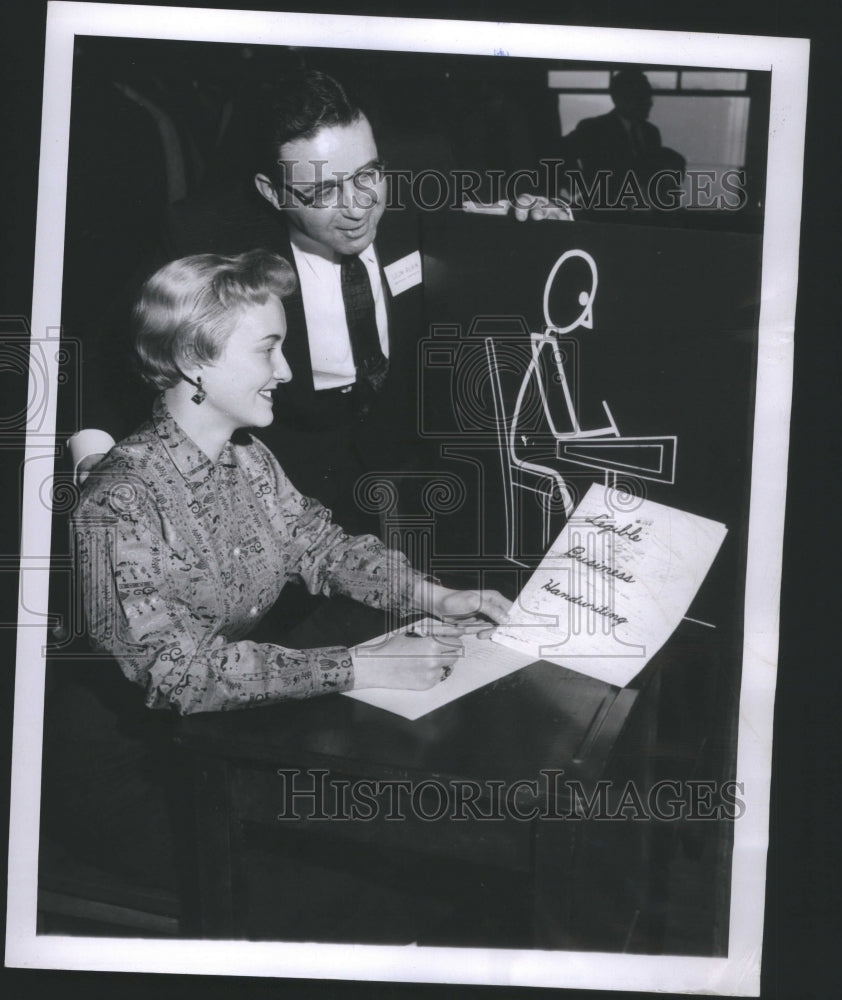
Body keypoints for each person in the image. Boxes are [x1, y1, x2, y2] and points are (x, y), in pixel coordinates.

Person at [43, 250, 511, 887]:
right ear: (193, 360)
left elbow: (322, 546)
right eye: (268, 349)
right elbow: (176, 675)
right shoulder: (118, 501)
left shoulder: (249, 459)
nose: (286, 371)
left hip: (218, 742)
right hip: (135, 776)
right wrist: (361, 665)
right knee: (361, 876)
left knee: (393, 850)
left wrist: (431, 595)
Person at [68, 69, 569, 530]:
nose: (356, 209)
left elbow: (512, 245)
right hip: (288, 467)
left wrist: (543, 228)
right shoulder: (206, 233)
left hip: (422, 456)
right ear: (273, 191)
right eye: (323, 192)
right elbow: (113, 355)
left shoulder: (426, 182)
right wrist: (96, 454)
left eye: (368, 176)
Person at [556, 68, 683, 212]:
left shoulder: (651, 132)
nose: (649, 103)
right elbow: (562, 153)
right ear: (619, 98)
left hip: (641, 210)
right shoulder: (593, 128)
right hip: (603, 209)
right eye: (640, 97)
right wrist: (579, 188)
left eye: (649, 97)